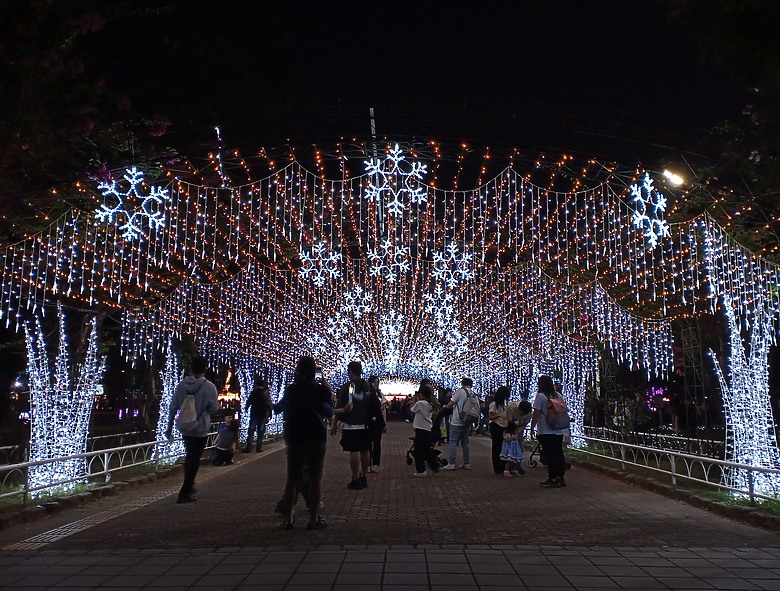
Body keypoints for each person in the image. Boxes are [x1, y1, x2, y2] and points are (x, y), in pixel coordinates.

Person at [278, 355, 332, 530]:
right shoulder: (319, 390)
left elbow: (281, 407)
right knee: (315, 478)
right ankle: (313, 519)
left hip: (295, 436)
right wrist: (323, 381)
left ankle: (288, 519)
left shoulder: (291, 390)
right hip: (315, 436)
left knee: (292, 478)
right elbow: (328, 407)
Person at [166, 355, 219, 504]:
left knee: (190, 455)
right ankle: (186, 490)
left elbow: (173, 407)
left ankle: (189, 486)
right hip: (200, 427)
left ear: (190, 368)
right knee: (194, 459)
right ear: (205, 369)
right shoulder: (209, 387)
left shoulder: (181, 385)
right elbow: (214, 409)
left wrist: (169, 427)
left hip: (185, 427)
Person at [331, 360, 376, 490]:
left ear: (350, 371)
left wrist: (335, 424)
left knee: (354, 450)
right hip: (366, 424)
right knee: (365, 450)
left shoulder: (346, 387)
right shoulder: (368, 386)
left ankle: (355, 478)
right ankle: (364, 476)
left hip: (351, 424)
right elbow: (375, 405)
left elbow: (340, 407)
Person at [530, 374, 567, 488]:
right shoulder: (558, 395)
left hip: (545, 430)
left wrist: (532, 427)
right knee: (558, 453)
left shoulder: (540, 396)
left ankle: (552, 477)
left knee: (550, 455)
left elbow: (536, 413)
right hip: (558, 429)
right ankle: (561, 477)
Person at [442, 377, 474, 471]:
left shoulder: (460, 391)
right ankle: (466, 463)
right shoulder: (473, 393)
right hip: (467, 421)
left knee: (453, 441)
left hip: (457, 421)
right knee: (465, 442)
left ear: (462, 384)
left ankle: (451, 463)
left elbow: (451, 404)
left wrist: (445, 407)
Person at [410, 383, 440, 477]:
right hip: (427, 428)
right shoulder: (430, 404)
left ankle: (421, 470)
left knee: (418, 450)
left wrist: (413, 401)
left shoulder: (419, 403)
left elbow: (412, 410)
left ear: (421, 394)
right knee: (427, 449)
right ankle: (434, 466)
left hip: (420, 429)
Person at [244, 380, 272, 453]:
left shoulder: (254, 392)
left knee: (251, 431)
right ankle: (258, 448)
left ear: (256, 385)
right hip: (262, 415)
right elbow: (269, 404)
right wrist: (270, 413)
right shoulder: (265, 393)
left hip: (254, 414)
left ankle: (248, 447)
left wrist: (246, 408)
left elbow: (249, 401)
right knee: (260, 432)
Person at [367, 375, 387, 473]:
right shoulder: (366, 393)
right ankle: (367, 463)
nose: (376, 384)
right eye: (374, 382)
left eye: (377, 382)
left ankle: (376, 464)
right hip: (368, 420)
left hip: (378, 420)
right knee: (368, 443)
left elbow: (383, 409)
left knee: (377, 443)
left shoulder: (380, 394)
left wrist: (385, 422)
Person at [488, 386, 510, 474]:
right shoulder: (494, 404)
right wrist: (499, 415)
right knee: (496, 447)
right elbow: (491, 417)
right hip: (496, 425)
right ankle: (497, 468)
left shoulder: (503, 404)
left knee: (503, 447)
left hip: (503, 426)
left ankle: (502, 466)